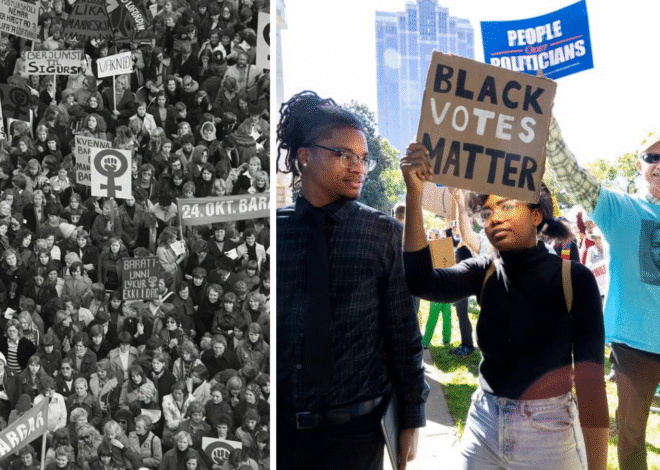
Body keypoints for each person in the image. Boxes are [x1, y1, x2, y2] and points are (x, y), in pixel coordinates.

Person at [400, 142, 608, 469]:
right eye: (486, 212)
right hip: (484, 423)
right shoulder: (483, 271)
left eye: (506, 206)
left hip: (550, 432)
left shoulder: (575, 280)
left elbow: (592, 384)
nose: (494, 218)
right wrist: (414, 194)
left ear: (536, 214)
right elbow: (421, 282)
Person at [275, 90, 427, 470]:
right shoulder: (272, 234)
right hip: (281, 436)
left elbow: (404, 334)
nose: (358, 167)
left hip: (357, 437)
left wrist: (412, 416)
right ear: (305, 156)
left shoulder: (383, 234)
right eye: (345, 155)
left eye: (363, 158)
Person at [546, 118, 660, 468]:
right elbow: (572, 176)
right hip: (635, 347)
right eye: (652, 157)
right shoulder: (618, 209)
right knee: (631, 437)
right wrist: (549, 128)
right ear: (639, 165)